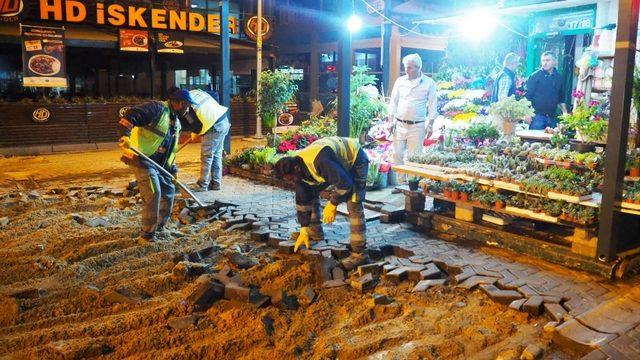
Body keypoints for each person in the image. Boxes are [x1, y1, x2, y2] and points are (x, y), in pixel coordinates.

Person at [273, 136, 369, 271]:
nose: (292, 182)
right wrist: (303, 229)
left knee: (353, 202)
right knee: (309, 191)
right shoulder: (299, 172)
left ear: (296, 169)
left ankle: (360, 254)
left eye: (291, 178)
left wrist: (332, 204)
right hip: (333, 164)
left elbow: (345, 184)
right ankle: (314, 232)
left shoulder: (320, 162)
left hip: (355, 160)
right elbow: (303, 200)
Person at [118, 90, 192, 242]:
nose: (188, 110)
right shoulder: (157, 108)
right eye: (188, 106)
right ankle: (147, 234)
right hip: (141, 157)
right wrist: (125, 135)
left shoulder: (176, 123)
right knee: (153, 192)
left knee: (168, 191)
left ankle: (159, 226)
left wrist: (173, 171)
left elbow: (171, 151)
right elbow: (130, 114)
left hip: (160, 164)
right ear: (180, 103)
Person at [168, 87, 230, 191]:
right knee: (216, 155)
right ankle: (216, 183)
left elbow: (195, 126)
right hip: (223, 120)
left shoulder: (187, 107)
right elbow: (215, 95)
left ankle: (202, 185)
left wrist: (195, 131)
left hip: (214, 127)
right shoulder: (195, 92)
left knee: (207, 156)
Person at [388, 53, 438, 173]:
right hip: (399, 124)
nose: (406, 70)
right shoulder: (400, 81)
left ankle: (412, 185)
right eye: (405, 67)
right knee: (397, 154)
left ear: (418, 67)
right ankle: (400, 183)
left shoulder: (429, 83)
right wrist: (390, 121)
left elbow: (432, 105)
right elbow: (393, 101)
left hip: (417, 126)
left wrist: (430, 125)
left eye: (409, 67)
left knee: (414, 156)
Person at [525, 51, 568, 130]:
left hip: (552, 117)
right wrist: (527, 114)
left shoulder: (559, 78)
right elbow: (527, 97)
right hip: (537, 117)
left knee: (551, 141)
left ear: (555, 62)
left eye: (547, 60)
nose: (544, 63)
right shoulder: (534, 76)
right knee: (534, 141)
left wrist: (565, 113)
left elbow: (561, 98)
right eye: (543, 60)